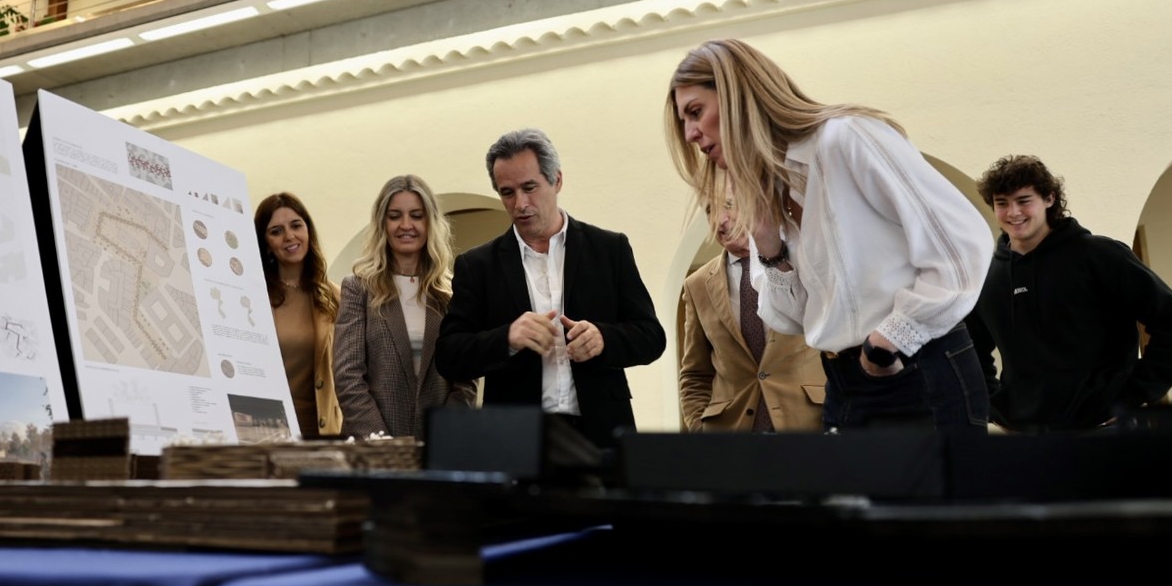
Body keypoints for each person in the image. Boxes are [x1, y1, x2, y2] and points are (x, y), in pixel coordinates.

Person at [665, 39, 992, 433]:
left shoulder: (848, 138)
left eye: (695, 112)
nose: (690, 134)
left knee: (931, 496)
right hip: (843, 382)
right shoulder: (773, 187)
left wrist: (889, 342)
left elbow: (962, 247)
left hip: (914, 368)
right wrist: (769, 246)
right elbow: (795, 320)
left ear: (737, 94)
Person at [435, 129, 666, 450]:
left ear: (556, 180)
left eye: (530, 187)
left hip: (602, 430)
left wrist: (604, 339)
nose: (520, 203)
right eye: (507, 192)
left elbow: (651, 337)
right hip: (515, 437)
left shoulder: (609, 248)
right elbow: (449, 356)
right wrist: (507, 338)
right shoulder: (477, 265)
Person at [967, 155, 1172, 432]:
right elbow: (971, 350)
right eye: (1002, 203)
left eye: (1024, 201)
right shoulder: (989, 277)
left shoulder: (1099, 256)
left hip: (1104, 428)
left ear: (1049, 199)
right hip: (1025, 437)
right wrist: (994, 405)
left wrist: (1132, 397)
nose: (1013, 212)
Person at [334, 174, 477, 439]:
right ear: (382, 223)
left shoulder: (451, 293)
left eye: (416, 215)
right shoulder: (358, 289)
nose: (406, 225)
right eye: (395, 216)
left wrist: (444, 435)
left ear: (430, 222)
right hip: (373, 451)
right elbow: (348, 376)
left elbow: (465, 380)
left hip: (436, 449)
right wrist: (382, 443)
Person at [680, 188, 826, 432]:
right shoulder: (697, 285)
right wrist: (700, 432)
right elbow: (695, 374)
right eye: (710, 211)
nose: (720, 220)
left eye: (728, 205)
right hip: (731, 438)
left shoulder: (807, 263)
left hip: (809, 429)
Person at [255, 193, 342, 439]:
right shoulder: (252, 297)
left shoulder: (336, 297)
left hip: (323, 432)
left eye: (296, 226)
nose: (289, 236)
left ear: (308, 230)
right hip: (266, 432)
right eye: (276, 231)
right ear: (265, 243)